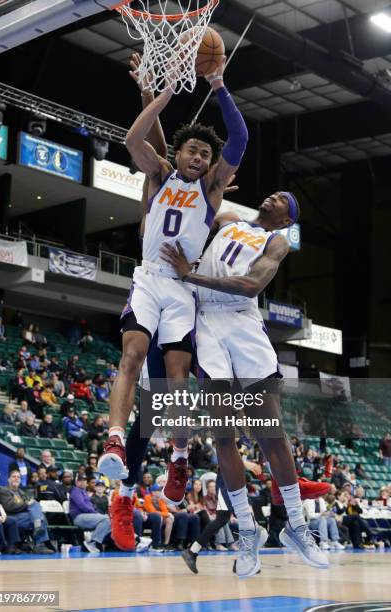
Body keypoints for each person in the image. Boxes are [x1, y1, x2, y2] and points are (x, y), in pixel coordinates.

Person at [98, 51, 248, 503]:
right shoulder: (160, 176)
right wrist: (160, 93)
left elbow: (239, 138)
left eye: (206, 152)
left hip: (183, 287)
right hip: (149, 278)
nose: (200, 156)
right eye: (193, 150)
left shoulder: (210, 189)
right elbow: (133, 138)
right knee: (132, 355)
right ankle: (116, 441)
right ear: (177, 154)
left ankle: (179, 457)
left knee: (177, 379)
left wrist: (219, 86)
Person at [162, 188, 329, 574]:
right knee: (223, 435)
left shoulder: (276, 242)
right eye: (272, 194)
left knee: (271, 434)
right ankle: (248, 531)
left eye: (282, 201)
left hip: (242, 322)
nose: (272, 198)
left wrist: (192, 274)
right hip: (206, 323)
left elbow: (252, 285)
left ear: (287, 220)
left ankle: (297, 527)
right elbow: (195, 204)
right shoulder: (227, 219)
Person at [0, 471, 53, 554]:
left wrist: (29, 504)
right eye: (14, 476)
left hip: (25, 517)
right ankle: (40, 544)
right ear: (8, 479)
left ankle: (38, 524)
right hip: (12, 517)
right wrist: (26, 504)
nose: (16, 478)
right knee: (40, 516)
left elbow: (30, 505)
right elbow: (10, 507)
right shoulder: (4, 491)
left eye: (18, 477)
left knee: (36, 505)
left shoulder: (21, 492)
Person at [69, 474, 111, 553]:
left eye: (84, 480)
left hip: (87, 516)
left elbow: (89, 506)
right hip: (79, 517)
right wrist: (95, 513)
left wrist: (96, 513)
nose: (82, 482)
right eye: (80, 481)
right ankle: (92, 542)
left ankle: (91, 536)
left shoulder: (83, 491)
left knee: (111, 522)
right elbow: (82, 506)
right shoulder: (76, 491)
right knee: (106, 520)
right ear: (76, 482)